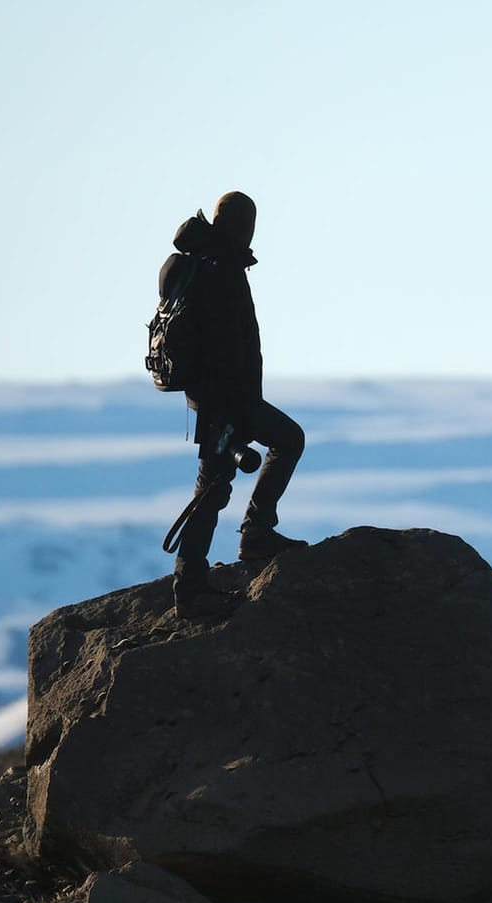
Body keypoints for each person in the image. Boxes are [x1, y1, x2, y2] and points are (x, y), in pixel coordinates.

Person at [160, 191, 307, 618]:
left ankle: (238, 545)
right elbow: (226, 348)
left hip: (213, 400)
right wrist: (232, 410)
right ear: (241, 227)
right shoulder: (218, 270)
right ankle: (197, 580)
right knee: (218, 484)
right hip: (226, 401)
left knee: (214, 485)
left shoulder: (197, 264)